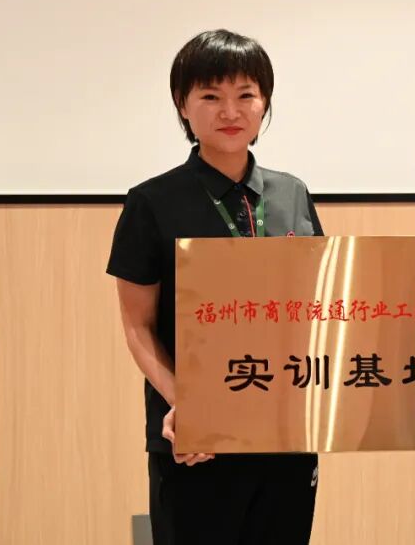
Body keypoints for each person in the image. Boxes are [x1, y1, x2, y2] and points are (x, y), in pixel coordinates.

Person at [107, 29, 322, 545]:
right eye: (210, 96)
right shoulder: (151, 202)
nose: (230, 111)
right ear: (183, 105)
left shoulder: (292, 193)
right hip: (195, 440)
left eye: (246, 95)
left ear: (265, 103)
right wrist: (190, 405)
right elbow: (137, 327)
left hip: (285, 435)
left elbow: (315, 309)